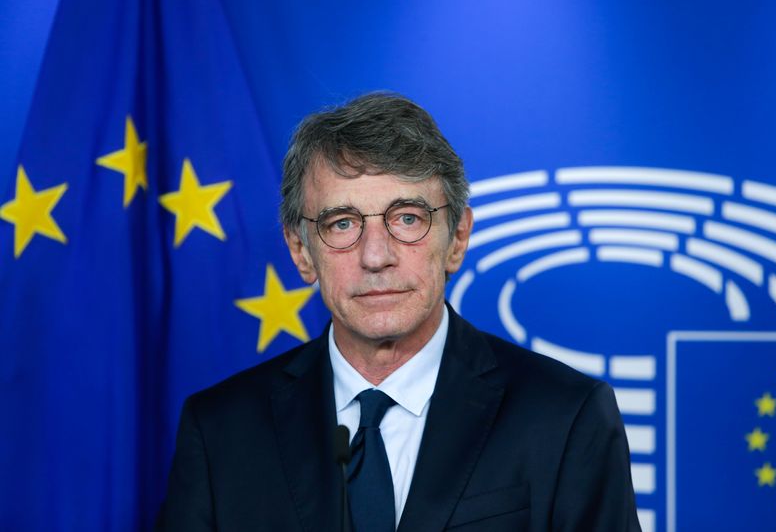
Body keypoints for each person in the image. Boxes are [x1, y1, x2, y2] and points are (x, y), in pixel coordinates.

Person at [157, 93, 641, 531]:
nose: (375, 256)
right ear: (301, 253)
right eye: (341, 223)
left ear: (457, 238)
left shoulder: (565, 416)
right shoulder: (221, 430)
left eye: (407, 218)